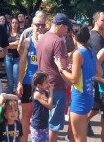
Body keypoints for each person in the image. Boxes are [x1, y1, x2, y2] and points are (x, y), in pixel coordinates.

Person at [35, 14, 71, 142]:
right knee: (54, 126)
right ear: (61, 26)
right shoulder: (58, 41)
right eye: (66, 28)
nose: (67, 31)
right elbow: (62, 66)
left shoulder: (42, 38)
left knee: (44, 123)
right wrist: (69, 80)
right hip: (55, 86)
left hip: (42, 86)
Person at [59, 26, 96, 142]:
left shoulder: (78, 53)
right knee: (78, 135)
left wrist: (61, 69)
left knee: (78, 137)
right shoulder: (91, 51)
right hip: (88, 94)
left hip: (80, 97)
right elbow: (94, 71)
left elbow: (74, 80)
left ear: (74, 37)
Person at [16, 14, 46, 141]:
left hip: (44, 84)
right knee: (26, 115)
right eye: (37, 24)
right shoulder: (28, 42)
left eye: (42, 25)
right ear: (32, 26)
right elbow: (22, 62)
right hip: (29, 81)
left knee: (40, 116)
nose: (39, 27)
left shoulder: (47, 41)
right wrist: (19, 82)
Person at [4, 17, 21, 95]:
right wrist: (12, 45)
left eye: (16, 23)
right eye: (13, 22)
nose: (14, 24)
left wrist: (8, 45)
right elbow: (3, 45)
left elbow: (18, 44)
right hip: (8, 57)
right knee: (9, 79)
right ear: (10, 24)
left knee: (15, 77)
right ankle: (9, 94)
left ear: (18, 24)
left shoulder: (20, 34)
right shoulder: (6, 34)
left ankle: (18, 94)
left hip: (17, 58)